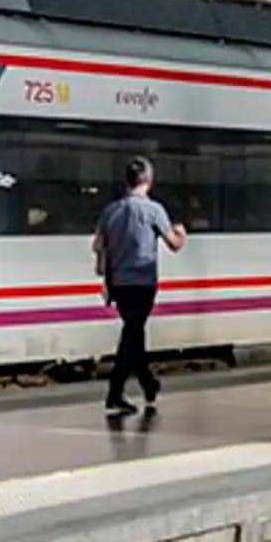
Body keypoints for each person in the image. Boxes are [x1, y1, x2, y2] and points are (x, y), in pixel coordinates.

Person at [92, 156, 187, 416]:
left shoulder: (111, 210)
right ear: (149, 180)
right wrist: (181, 233)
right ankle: (115, 392)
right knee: (132, 333)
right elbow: (174, 244)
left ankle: (148, 383)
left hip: (119, 283)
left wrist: (104, 270)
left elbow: (98, 247)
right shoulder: (153, 210)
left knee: (134, 332)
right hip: (143, 281)